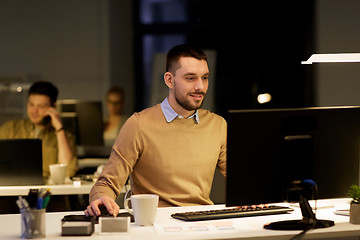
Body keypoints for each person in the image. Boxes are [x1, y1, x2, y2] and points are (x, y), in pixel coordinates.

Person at [85, 44, 227, 217]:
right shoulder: (139, 125)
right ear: (169, 80)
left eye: (204, 78)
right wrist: (101, 199)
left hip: (202, 222)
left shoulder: (218, 125)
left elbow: (244, 179)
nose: (200, 87)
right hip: (153, 224)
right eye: (190, 78)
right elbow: (106, 184)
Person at [0, 81, 78, 179]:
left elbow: (67, 171)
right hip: (12, 189)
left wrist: (59, 129)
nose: (34, 111)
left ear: (53, 107)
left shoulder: (64, 136)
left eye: (41, 106)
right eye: (31, 104)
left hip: (49, 190)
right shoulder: (10, 129)